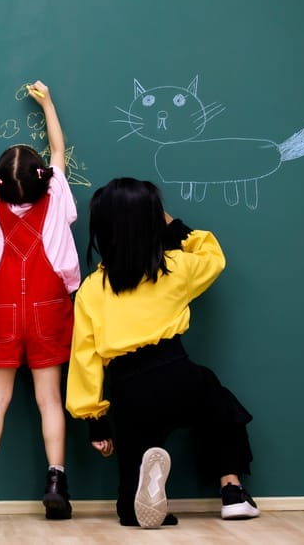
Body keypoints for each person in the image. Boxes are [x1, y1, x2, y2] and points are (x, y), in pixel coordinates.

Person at [66, 177, 260, 528]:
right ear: (154, 223)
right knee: (220, 409)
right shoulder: (174, 269)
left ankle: (136, 496)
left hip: (130, 391)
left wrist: (94, 420)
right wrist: (173, 226)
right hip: (178, 373)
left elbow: (85, 358)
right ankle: (231, 490)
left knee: (128, 496)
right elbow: (213, 258)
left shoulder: (92, 289)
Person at [0, 82, 81, 520]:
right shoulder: (58, 195)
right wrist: (48, 102)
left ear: (0, 184)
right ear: (42, 177)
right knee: (50, 400)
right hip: (50, 309)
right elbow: (59, 148)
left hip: (5, 311)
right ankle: (55, 482)